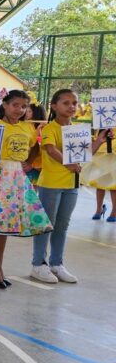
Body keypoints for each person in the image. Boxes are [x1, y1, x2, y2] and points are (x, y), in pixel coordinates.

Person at [31, 89, 111, 283]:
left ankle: (56, 264)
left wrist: (99, 140)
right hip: (51, 183)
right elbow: (50, 150)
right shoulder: (50, 128)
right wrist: (67, 163)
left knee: (62, 225)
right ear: (54, 106)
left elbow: (84, 154)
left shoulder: (76, 130)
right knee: (46, 224)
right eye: (66, 103)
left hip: (72, 183)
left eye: (74, 103)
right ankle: (38, 264)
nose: (71, 106)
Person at [0, 90, 52, 289]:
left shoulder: (27, 128)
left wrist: (30, 162)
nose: (19, 110)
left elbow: (35, 148)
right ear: (5, 104)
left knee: (5, 224)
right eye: (15, 105)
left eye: (23, 107)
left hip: (17, 178)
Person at [83, 127, 116, 221]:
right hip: (101, 149)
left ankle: (114, 211)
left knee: (114, 184)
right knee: (100, 182)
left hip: (114, 151)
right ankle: (99, 209)